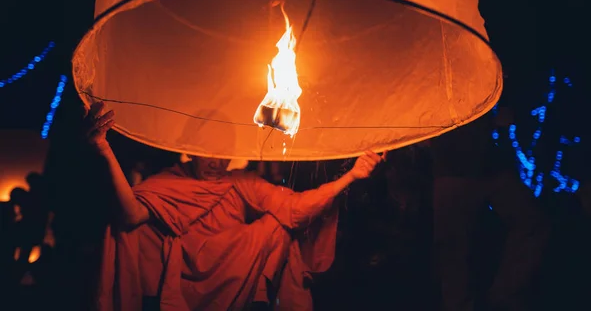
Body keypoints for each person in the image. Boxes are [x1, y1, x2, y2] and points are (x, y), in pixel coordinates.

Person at [83, 101, 386, 311]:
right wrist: (103, 149)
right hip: (181, 289)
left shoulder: (239, 182)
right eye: (207, 152)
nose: (216, 161)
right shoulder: (173, 182)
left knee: (277, 226)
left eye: (222, 153)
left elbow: (295, 209)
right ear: (191, 152)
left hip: (236, 283)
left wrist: (351, 175)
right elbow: (131, 214)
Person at [428, 106, 550, 311]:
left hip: (487, 164)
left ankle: (505, 296)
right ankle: (467, 304)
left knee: (531, 223)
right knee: (452, 247)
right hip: (452, 168)